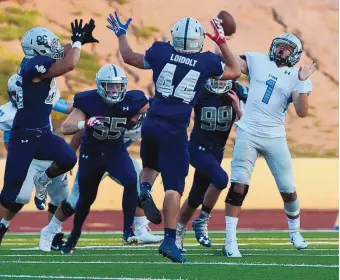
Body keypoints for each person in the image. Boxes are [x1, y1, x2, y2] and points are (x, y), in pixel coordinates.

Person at [107, 12, 240, 262]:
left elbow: (129, 57)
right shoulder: (206, 61)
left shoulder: (161, 51)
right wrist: (222, 41)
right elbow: (234, 71)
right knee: (174, 188)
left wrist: (121, 34)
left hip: (152, 121)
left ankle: (144, 188)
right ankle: (170, 240)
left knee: (149, 166)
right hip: (175, 129)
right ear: (198, 40)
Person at [0, 19, 99, 232]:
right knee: (10, 196)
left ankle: (42, 181)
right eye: (49, 44)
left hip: (43, 135)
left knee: (68, 158)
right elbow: (69, 64)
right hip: (23, 139)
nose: (55, 47)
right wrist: (78, 44)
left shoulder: (36, 63)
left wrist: (75, 41)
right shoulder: (31, 67)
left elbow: (58, 54)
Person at [224, 33, 316, 257]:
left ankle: (294, 232)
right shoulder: (257, 60)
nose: (281, 51)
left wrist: (302, 80)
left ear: (294, 54)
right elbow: (231, 61)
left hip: (275, 136)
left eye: (286, 48)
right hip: (248, 132)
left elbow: (303, 112)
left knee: (288, 190)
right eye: (279, 47)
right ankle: (230, 240)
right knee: (238, 185)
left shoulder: (297, 76)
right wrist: (221, 41)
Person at [39, 114, 163, 252]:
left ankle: (141, 230)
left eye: (137, 116)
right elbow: (80, 134)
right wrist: (71, 158)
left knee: (141, 188)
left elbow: (151, 145)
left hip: (119, 159)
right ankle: (49, 231)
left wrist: (153, 166)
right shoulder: (110, 115)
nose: (133, 119)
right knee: (75, 201)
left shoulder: (146, 123)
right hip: (94, 159)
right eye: (131, 116)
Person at [60, 64, 149, 254]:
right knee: (85, 200)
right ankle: (74, 235)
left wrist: (135, 115)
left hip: (115, 151)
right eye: (110, 86)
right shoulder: (88, 100)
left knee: (131, 180)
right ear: (101, 86)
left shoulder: (134, 99)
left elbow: (150, 104)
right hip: (91, 154)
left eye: (118, 86)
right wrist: (86, 122)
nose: (114, 90)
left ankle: (127, 231)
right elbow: (66, 128)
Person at [0, 74, 73, 249]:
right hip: (30, 159)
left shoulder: (43, 100)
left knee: (61, 198)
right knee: (20, 196)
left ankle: (53, 234)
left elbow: (68, 107)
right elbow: (9, 144)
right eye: (16, 94)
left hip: (51, 158)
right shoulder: (7, 113)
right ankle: (3, 224)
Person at [176, 79, 247, 252]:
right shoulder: (199, 89)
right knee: (221, 179)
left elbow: (247, 124)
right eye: (215, 78)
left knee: (195, 197)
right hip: (197, 148)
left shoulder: (238, 91)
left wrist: (238, 107)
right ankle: (202, 219)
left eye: (222, 79)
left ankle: (175, 235)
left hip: (217, 151)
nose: (218, 83)